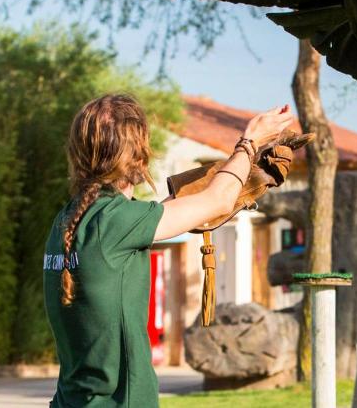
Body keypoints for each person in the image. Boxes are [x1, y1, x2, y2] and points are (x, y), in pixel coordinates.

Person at [42, 93, 295, 407]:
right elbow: (218, 200)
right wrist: (250, 141)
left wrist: (230, 176)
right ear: (139, 156)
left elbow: (163, 218)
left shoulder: (69, 220)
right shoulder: (116, 221)